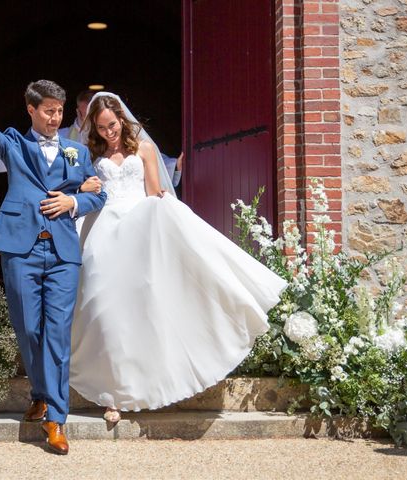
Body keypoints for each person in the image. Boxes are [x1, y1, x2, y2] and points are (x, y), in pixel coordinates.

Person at [70, 92, 287, 423]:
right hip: (102, 231)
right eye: (101, 128)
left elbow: (154, 190)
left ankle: (137, 387)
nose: (108, 133)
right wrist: (84, 189)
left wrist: (166, 208)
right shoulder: (91, 154)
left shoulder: (142, 149)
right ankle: (110, 392)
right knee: (101, 307)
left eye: (111, 125)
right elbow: (84, 188)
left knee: (141, 306)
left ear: (121, 119)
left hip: (137, 229)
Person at [0, 47, 106, 455]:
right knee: (29, 329)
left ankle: (56, 419)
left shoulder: (78, 152)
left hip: (64, 254)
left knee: (55, 332)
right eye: (49, 111)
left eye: (60, 111)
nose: (56, 118)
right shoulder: (14, 145)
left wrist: (74, 202)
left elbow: (98, 195)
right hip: (21, 248)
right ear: (32, 109)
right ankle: (39, 392)